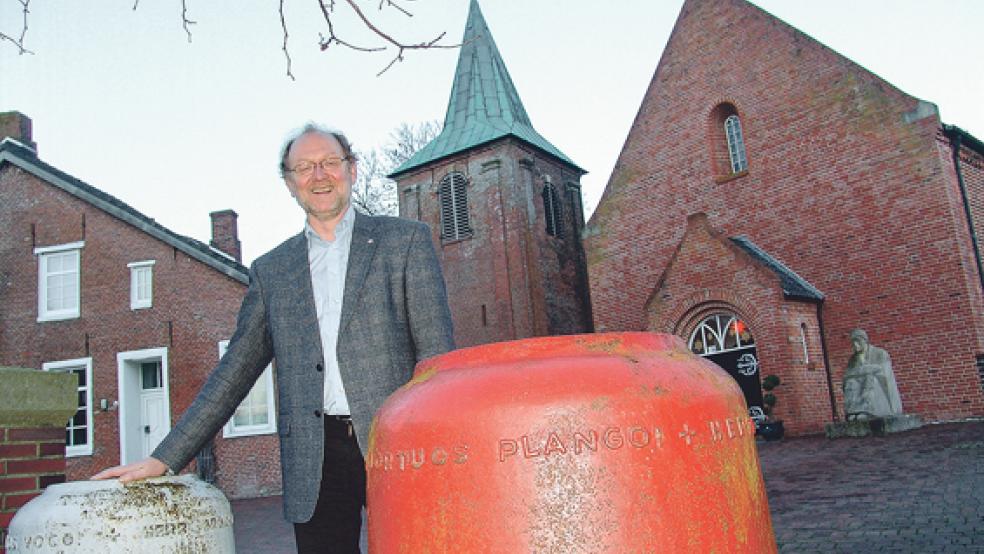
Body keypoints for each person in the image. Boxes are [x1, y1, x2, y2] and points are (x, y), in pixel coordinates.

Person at [93, 123, 455, 553]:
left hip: (396, 443)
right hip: (312, 456)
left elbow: (438, 362)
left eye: (329, 163)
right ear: (289, 183)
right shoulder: (272, 271)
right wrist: (165, 457)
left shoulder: (405, 242)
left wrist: (444, 448)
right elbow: (235, 371)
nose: (318, 175)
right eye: (304, 167)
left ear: (352, 170)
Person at [842, 329, 902, 420]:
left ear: (865, 341)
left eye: (858, 341)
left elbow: (883, 371)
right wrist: (861, 367)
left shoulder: (880, 353)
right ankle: (853, 412)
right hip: (859, 383)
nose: (855, 345)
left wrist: (863, 370)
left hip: (877, 383)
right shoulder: (853, 359)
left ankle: (867, 411)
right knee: (851, 382)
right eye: (853, 342)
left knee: (869, 378)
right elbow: (848, 374)